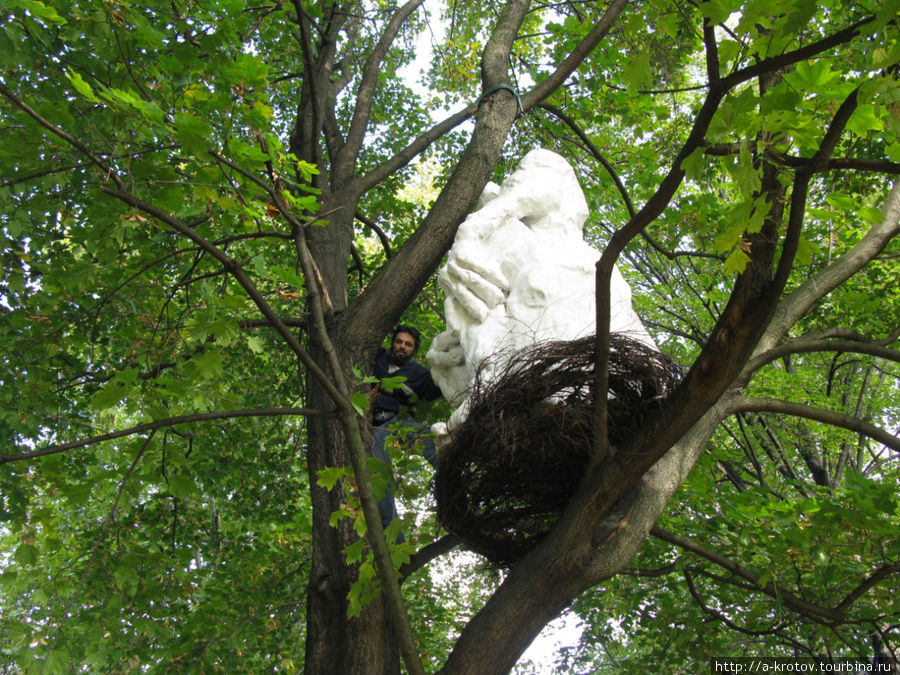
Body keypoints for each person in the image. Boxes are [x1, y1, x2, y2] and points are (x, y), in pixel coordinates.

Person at [370, 325, 442, 537]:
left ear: (414, 350)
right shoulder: (378, 356)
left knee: (431, 440)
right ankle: (398, 542)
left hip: (399, 420)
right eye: (399, 341)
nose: (402, 347)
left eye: (408, 344)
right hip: (374, 427)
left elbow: (445, 385)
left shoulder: (420, 375)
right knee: (381, 477)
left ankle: (457, 477)